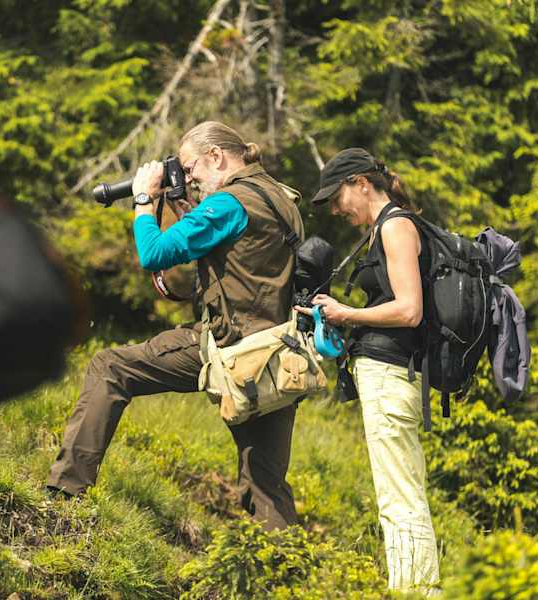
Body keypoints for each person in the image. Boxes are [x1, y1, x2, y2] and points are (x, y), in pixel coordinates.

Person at [47, 121, 304, 532]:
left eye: (189, 168)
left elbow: (154, 254)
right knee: (266, 483)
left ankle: (64, 494)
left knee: (109, 368)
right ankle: (287, 565)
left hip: (230, 348)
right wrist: (186, 211)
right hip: (276, 358)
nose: (189, 178)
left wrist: (144, 200)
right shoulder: (279, 197)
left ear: (215, 156)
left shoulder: (229, 204)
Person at [297, 148, 440, 594]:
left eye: (337, 198)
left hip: (392, 376)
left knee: (400, 498)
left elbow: (410, 310)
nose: (336, 210)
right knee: (397, 493)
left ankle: (416, 590)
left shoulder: (396, 226)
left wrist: (346, 313)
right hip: (388, 375)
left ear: (361, 183)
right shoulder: (385, 227)